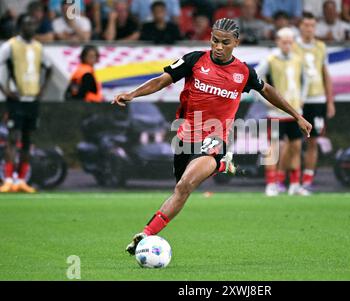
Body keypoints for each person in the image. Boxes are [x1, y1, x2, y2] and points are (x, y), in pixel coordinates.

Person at [111, 18, 312, 254]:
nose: (218, 47)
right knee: (180, 188)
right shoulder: (194, 60)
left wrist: (297, 116)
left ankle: (145, 235)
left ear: (236, 42)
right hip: (186, 137)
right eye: (215, 40)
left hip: (215, 139)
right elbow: (162, 80)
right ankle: (220, 165)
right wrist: (133, 94)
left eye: (225, 42)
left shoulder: (244, 72)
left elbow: (267, 90)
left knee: (186, 184)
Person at [0, 15, 52, 193]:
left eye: (33, 24)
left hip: (32, 99)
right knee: (12, 138)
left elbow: (49, 67)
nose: (31, 27)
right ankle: (8, 179)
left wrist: (42, 89)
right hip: (16, 99)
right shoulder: (10, 45)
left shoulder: (38, 47)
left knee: (28, 140)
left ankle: (21, 180)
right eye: (27, 24)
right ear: (20, 26)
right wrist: (5, 90)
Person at [256, 27, 310, 197]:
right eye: (284, 42)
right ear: (278, 42)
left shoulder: (298, 59)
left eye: (290, 42)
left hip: (294, 113)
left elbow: (305, 81)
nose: (287, 45)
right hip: (276, 114)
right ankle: (271, 184)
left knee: (295, 147)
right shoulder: (270, 60)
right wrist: (266, 102)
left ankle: (294, 184)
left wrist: (302, 99)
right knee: (273, 149)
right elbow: (255, 80)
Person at [294, 12, 335, 189]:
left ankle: (307, 181)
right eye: (306, 25)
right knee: (293, 142)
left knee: (313, 141)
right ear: (300, 27)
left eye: (312, 25)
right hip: (297, 101)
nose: (309, 29)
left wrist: (330, 101)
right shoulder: (293, 46)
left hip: (317, 100)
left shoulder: (321, 47)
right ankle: (292, 180)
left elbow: (326, 74)